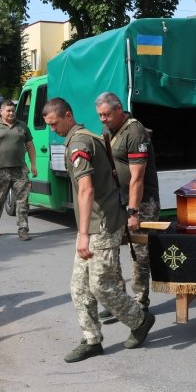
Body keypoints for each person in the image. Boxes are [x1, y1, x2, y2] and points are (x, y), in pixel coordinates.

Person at [42, 98, 155, 363]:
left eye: (55, 124)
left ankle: (139, 320)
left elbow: (86, 189)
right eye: (49, 125)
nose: (53, 130)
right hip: (93, 224)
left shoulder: (79, 143)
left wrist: (83, 234)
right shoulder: (82, 138)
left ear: (67, 115)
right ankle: (92, 340)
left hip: (101, 225)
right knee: (79, 287)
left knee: (101, 286)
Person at [94, 92, 160, 313]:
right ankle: (119, 300)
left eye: (106, 114)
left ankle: (140, 301)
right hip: (117, 200)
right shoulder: (108, 131)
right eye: (100, 115)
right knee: (111, 249)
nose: (103, 119)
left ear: (119, 109)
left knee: (139, 254)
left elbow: (137, 178)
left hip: (141, 203)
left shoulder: (134, 131)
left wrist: (133, 212)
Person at [0, 99, 37, 241]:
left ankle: (23, 230)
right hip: (0, 170)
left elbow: (30, 146)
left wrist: (33, 165)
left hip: (20, 169)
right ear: (1, 111)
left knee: (23, 201)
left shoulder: (22, 126)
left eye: (13, 111)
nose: (11, 113)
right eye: (8, 111)